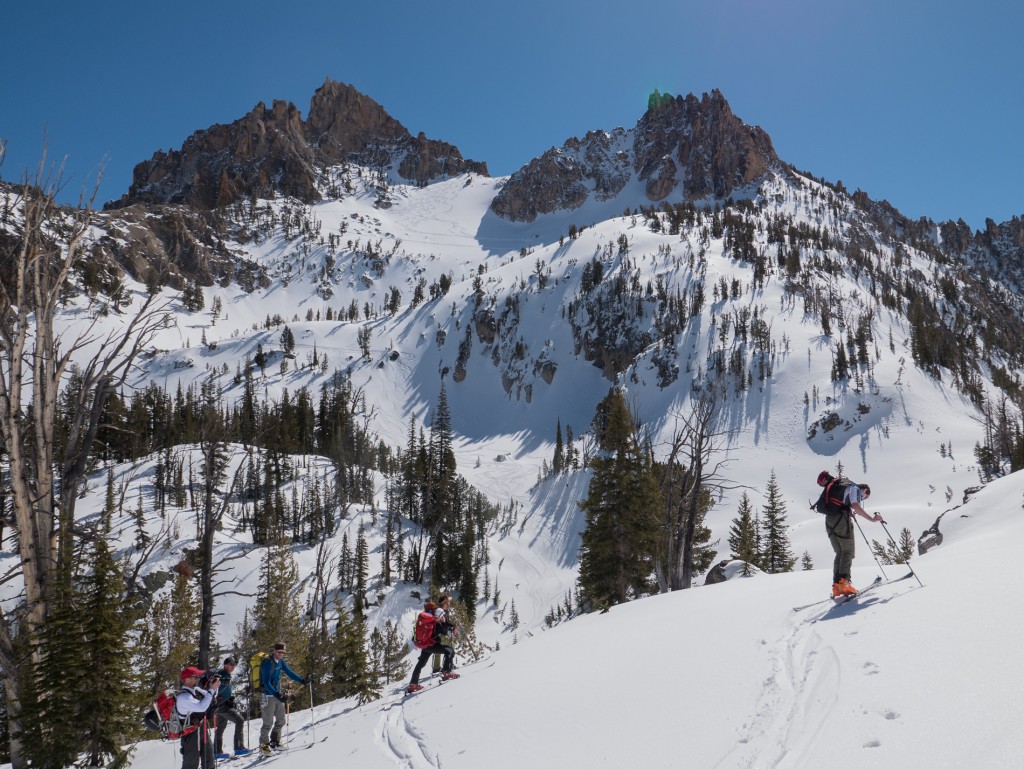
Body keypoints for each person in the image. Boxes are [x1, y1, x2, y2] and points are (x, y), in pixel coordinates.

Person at [816, 472, 885, 597]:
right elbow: (855, 505)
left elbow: (843, 504)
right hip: (841, 521)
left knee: (840, 553)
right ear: (864, 490)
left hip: (829, 521)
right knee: (848, 552)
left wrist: (848, 511)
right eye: (864, 497)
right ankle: (844, 584)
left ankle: (836, 586)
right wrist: (872, 519)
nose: (862, 498)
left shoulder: (841, 486)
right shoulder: (855, 488)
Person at [258, 642, 306, 755]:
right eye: (279, 652)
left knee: (281, 720)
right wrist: (276, 694)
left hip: (276, 694)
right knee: (268, 722)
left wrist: (302, 680)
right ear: (274, 651)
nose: (281, 654)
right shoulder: (267, 663)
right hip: (267, 695)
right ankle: (263, 746)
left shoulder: (280, 662)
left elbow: (289, 672)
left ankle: (275, 741)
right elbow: (266, 682)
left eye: (283, 653)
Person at [407, 594, 459, 693]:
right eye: (442, 616)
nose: (444, 618)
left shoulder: (429, 621)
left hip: (424, 644)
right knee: (450, 650)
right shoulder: (437, 623)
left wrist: (444, 623)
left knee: (421, 663)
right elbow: (444, 632)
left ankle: (413, 684)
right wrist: (446, 624)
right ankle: (447, 672)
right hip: (431, 645)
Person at [176, 666, 219, 769]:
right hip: (190, 733)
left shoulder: (195, 690)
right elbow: (202, 707)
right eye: (195, 677)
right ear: (187, 679)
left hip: (201, 728)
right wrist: (211, 690)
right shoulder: (183, 697)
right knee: (191, 764)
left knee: (209, 759)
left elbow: (211, 696)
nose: (198, 679)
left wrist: (213, 686)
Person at [213, 656, 250, 759]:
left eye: (234, 665)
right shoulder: (222, 674)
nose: (233, 666)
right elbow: (218, 688)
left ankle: (217, 751)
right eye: (230, 664)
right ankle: (238, 747)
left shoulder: (225, 674)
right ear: (225, 665)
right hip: (222, 705)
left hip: (219, 705)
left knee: (220, 728)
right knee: (239, 720)